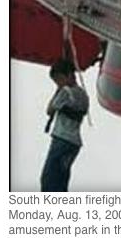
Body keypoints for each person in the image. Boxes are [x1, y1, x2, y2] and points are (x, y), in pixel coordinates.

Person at [41, 59, 89, 192]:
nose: (58, 84)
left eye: (59, 80)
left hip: (61, 140)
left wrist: (58, 90)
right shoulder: (83, 95)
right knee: (61, 181)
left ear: (68, 75)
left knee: (49, 180)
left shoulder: (66, 92)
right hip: (74, 143)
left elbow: (49, 110)